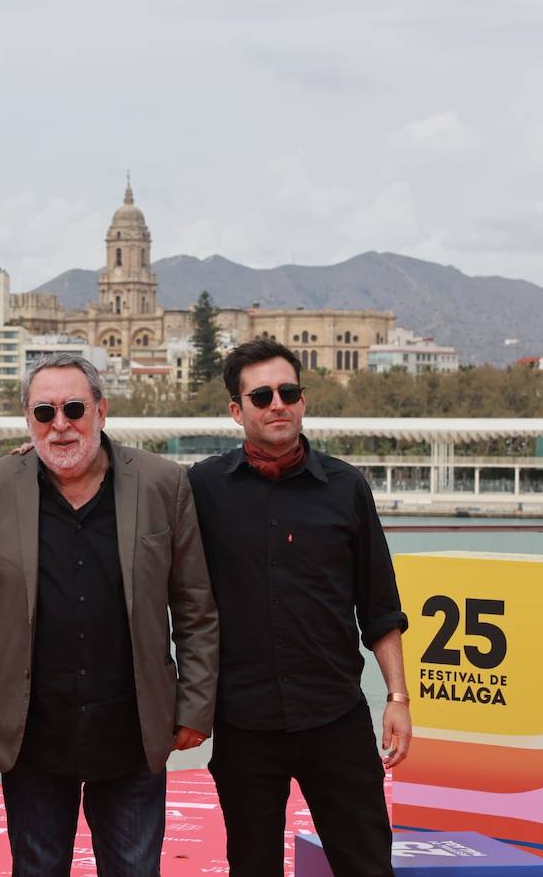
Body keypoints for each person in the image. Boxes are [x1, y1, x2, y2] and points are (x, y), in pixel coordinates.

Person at [0, 353, 218, 877]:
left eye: (74, 408)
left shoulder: (164, 483)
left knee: (135, 869)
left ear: (101, 411)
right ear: (28, 421)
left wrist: (195, 705)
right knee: (37, 867)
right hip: (31, 730)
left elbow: (195, 605)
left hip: (133, 727)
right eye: (44, 413)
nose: (61, 425)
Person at [187, 338, 411, 877]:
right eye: (261, 396)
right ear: (236, 411)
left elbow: (379, 607)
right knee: (253, 866)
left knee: (367, 867)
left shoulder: (347, 487)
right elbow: (121, 483)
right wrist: (43, 457)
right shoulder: (200, 488)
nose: (277, 404)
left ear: (303, 400)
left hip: (336, 719)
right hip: (244, 723)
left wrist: (398, 697)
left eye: (288, 392)